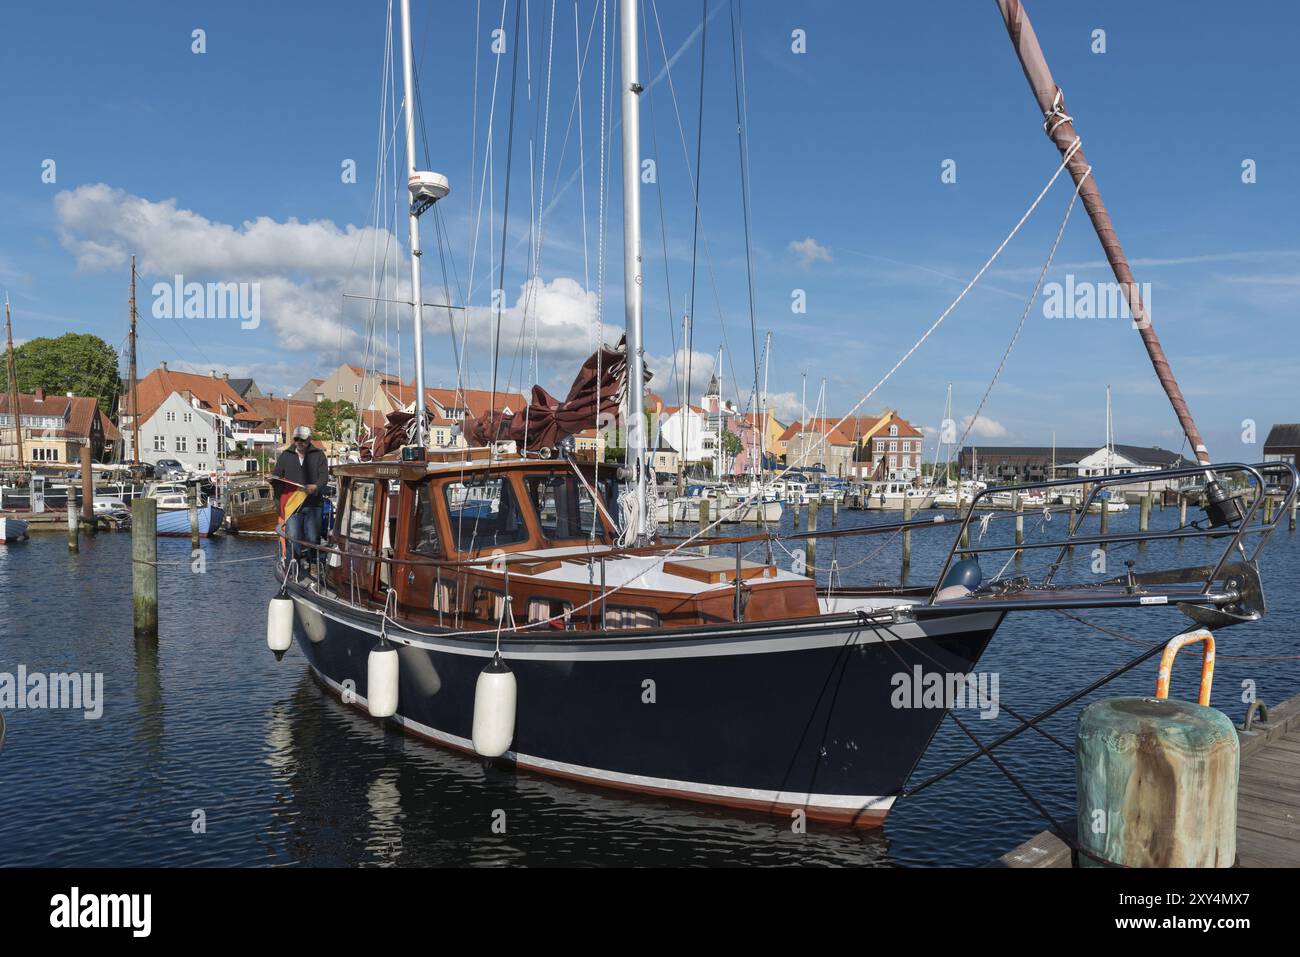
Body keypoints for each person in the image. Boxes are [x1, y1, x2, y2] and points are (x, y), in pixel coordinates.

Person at [273, 425, 329, 573]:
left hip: (313, 504)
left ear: (309, 439)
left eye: (302, 439)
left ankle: (313, 563)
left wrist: (316, 486)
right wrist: (272, 479)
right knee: (293, 537)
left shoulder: (319, 455)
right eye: (296, 439)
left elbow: (324, 477)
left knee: (312, 537)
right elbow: (277, 475)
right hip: (292, 504)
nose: (299, 442)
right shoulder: (285, 456)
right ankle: (293, 566)